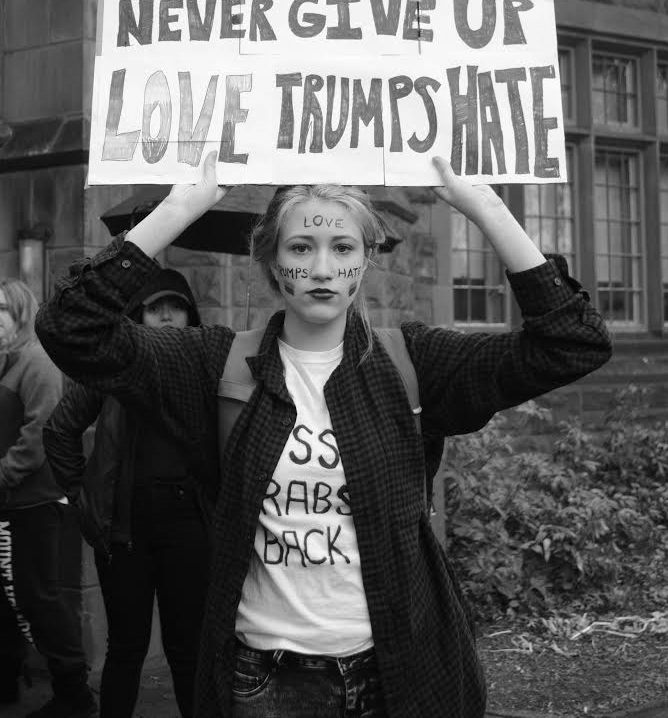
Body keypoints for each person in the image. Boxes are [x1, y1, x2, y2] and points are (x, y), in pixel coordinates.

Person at [35, 153, 612, 718]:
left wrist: (485, 206)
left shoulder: (413, 361)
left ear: (365, 262)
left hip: (398, 669)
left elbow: (571, 343)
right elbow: (72, 327)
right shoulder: (212, 364)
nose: (321, 268)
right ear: (271, 263)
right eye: (300, 248)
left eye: (343, 248)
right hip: (264, 680)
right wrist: (180, 206)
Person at [43, 269, 211, 718]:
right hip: (124, 529)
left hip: (189, 526)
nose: (166, 316)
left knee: (188, 648)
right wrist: (83, 497)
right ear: (137, 316)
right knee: (127, 647)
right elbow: (59, 430)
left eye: (175, 306)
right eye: (155, 307)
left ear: (190, 314)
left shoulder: (207, 367)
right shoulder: (113, 366)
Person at [0, 278, 97, 718]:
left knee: (39, 596)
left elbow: (38, 433)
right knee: (17, 594)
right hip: (11, 499)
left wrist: (4, 474)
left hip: (34, 500)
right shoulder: (7, 361)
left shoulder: (35, 360)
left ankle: (74, 693)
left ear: (20, 313)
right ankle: (7, 671)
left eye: (1, 309)